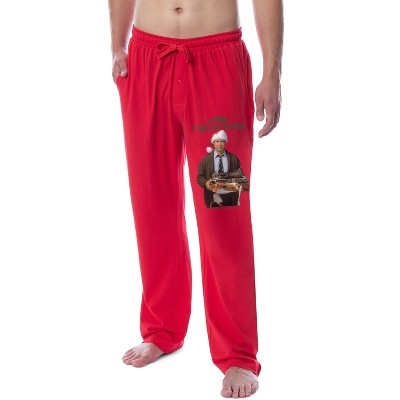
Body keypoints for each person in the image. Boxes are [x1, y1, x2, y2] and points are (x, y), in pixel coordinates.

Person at [108, 0, 283, 397]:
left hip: (217, 63)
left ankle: (238, 354)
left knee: (223, 212)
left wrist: (271, 73)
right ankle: (162, 329)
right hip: (146, 59)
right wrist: (117, 44)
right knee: (152, 206)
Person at [197, 129, 244, 208]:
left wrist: (238, 182)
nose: (219, 144)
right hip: (212, 197)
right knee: (214, 215)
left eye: (222, 141)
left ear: (225, 142)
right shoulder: (205, 160)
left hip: (231, 197)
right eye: (217, 141)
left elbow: (240, 175)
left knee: (230, 215)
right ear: (213, 142)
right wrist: (205, 183)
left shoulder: (233, 158)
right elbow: (200, 177)